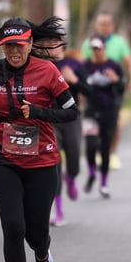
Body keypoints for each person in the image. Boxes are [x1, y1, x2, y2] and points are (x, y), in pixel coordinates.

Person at [0, 18, 80, 262]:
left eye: (20, 45)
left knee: (36, 232)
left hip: (42, 163)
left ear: (31, 44)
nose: (14, 51)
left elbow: (72, 112)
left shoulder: (48, 72)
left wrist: (39, 113)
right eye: (8, 46)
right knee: (12, 226)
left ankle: (43, 256)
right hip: (2, 160)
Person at [30, 17, 84, 226]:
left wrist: (75, 80)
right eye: (46, 43)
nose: (51, 46)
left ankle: (72, 177)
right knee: (55, 165)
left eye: (55, 41)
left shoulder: (73, 64)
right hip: (49, 119)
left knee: (74, 160)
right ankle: (59, 211)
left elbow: (88, 90)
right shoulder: (41, 66)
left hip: (70, 118)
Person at [81, 11, 131, 170]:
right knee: (93, 121)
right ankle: (97, 152)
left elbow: (130, 63)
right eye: (101, 24)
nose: (104, 27)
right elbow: (81, 66)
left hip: (113, 90)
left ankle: (112, 152)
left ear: (112, 26)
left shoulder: (119, 42)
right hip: (93, 90)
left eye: (107, 24)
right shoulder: (89, 43)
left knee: (114, 121)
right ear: (96, 25)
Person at [79, 34, 124, 198]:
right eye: (93, 48)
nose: (96, 51)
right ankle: (92, 173)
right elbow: (80, 86)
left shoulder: (113, 65)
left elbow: (121, 89)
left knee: (105, 148)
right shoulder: (85, 66)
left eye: (99, 48)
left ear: (104, 48)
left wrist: (116, 80)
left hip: (109, 111)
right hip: (90, 111)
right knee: (90, 145)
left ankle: (104, 183)